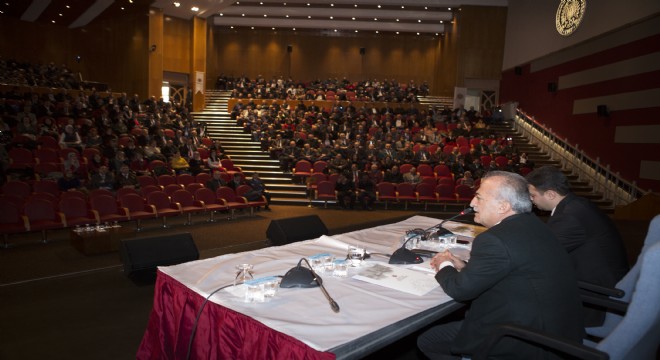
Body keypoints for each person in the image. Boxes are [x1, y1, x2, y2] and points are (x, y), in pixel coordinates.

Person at [418, 171, 584, 359]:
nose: (472, 203)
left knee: (428, 340)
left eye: (479, 198)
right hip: (558, 331)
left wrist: (444, 263)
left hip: (524, 341)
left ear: (503, 206)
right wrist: (464, 266)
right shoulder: (533, 225)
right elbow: (513, 268)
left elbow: (460, 290)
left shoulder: (495, 239)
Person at [525, 165, 629, 326]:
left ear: (551, 194)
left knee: (522, 295)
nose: (531, 200)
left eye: (533, 195)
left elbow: (538, 254)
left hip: (595, 296)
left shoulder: (570, 216)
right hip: (600, 282)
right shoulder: (575, 204)